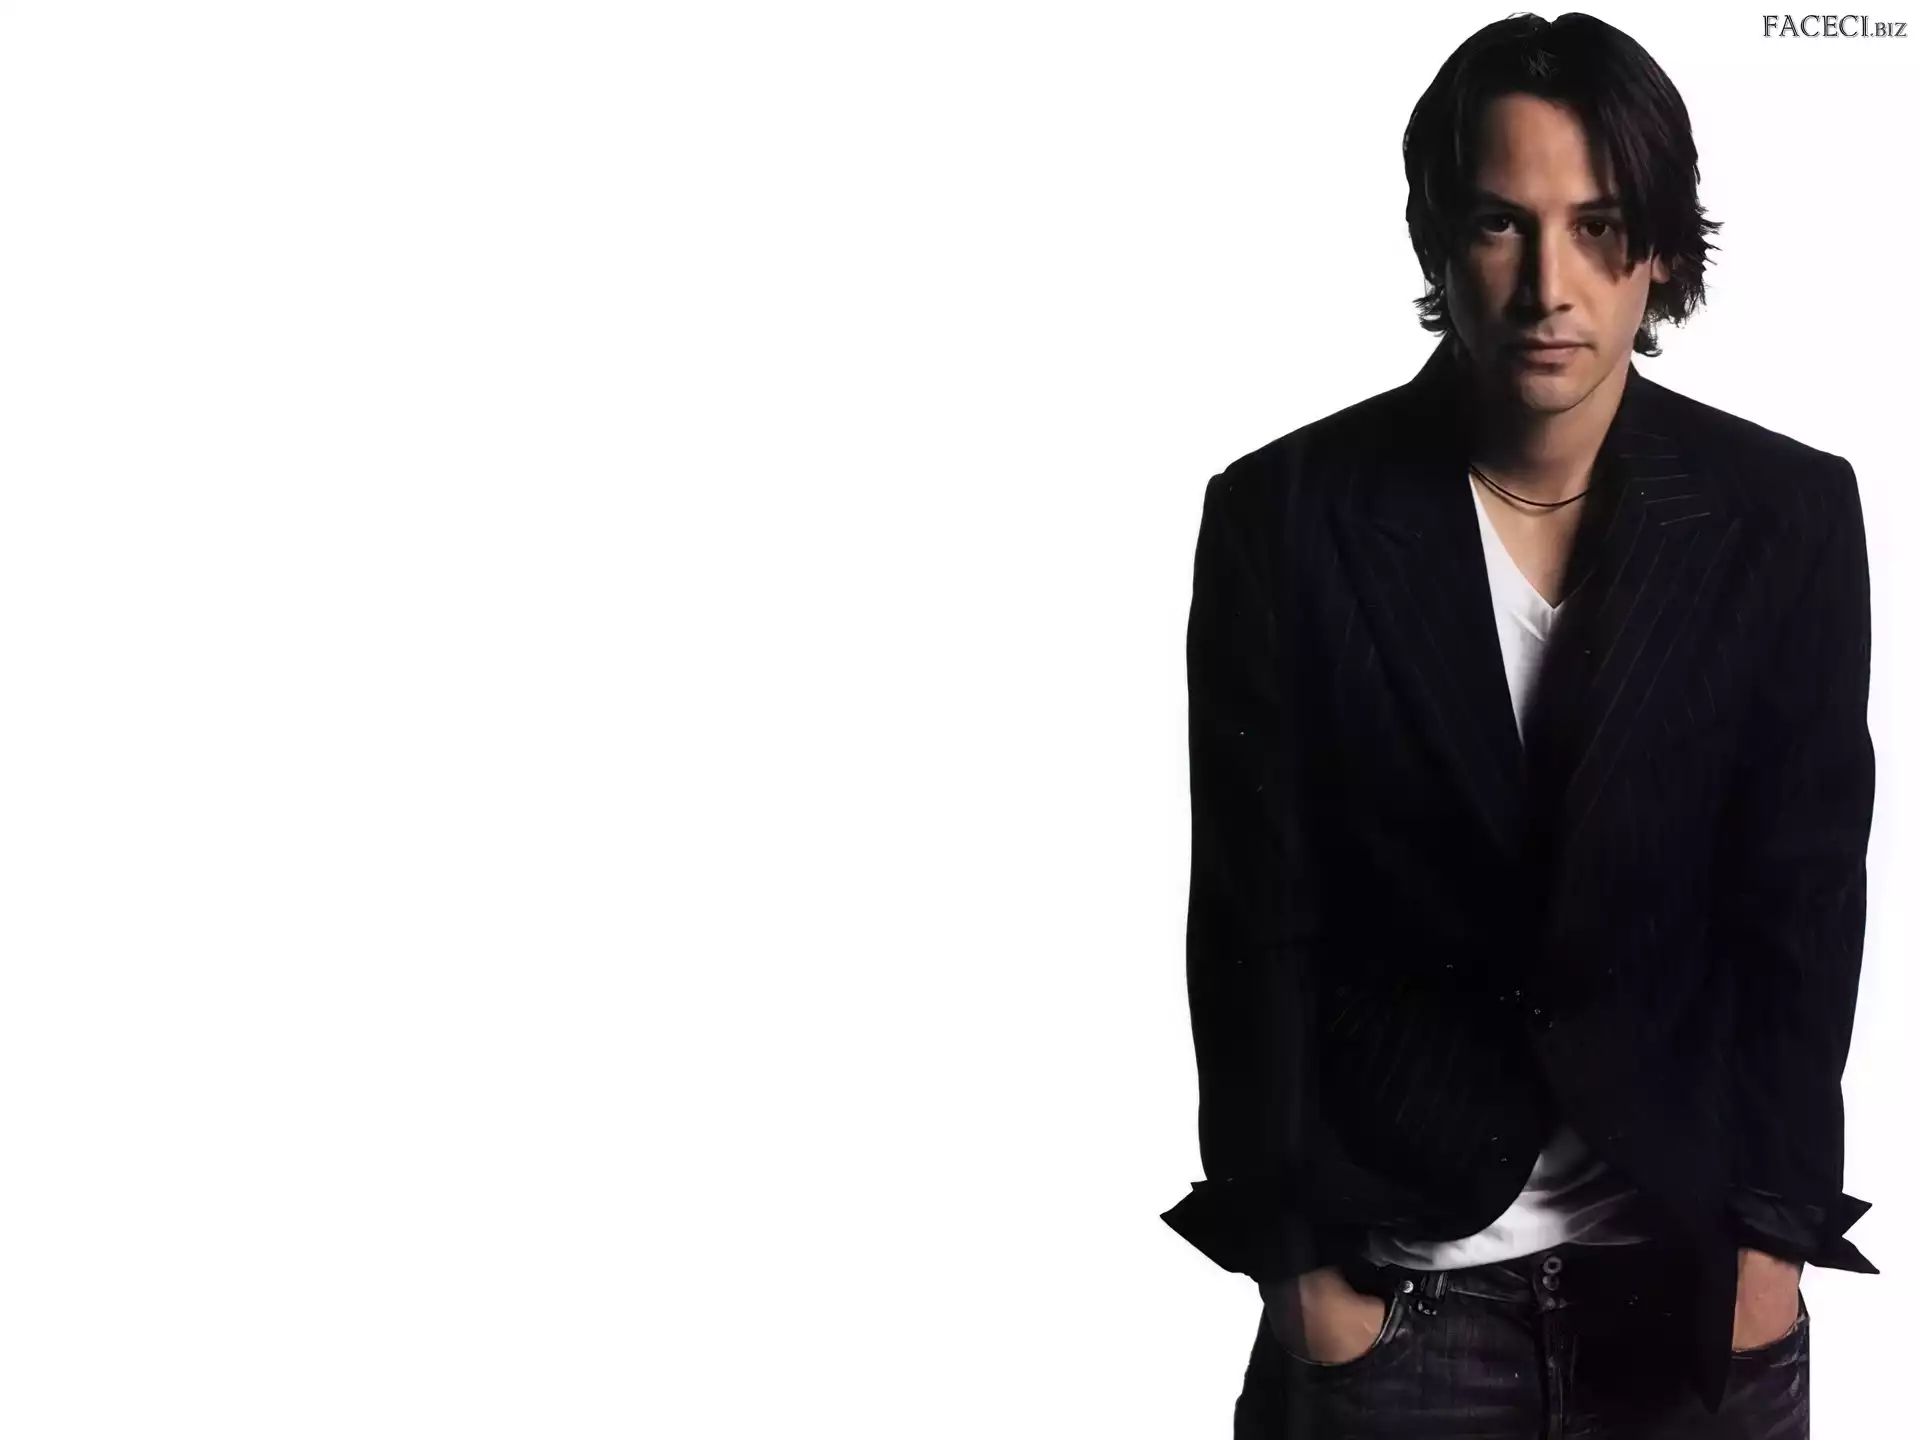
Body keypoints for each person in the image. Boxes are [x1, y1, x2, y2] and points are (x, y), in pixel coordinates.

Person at [1160, 13, 1876, 1437]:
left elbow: (1800, 908)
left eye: (1597, 225)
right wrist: (1303, 1278)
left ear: (1658, 247)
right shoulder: (1286, 517)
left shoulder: (1782, 514)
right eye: (1502, 223)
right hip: (1394, 1300)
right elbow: (1251, 923)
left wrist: (1771, 1251)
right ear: (1437, 238)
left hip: (1685, 1296)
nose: (1550, 285)